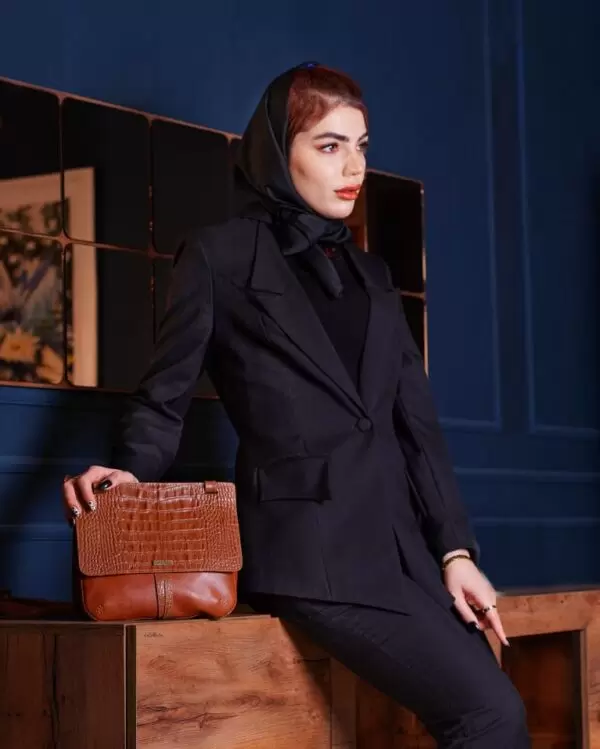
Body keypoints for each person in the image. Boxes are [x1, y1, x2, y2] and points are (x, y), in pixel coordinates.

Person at [62, 62, 530, 747]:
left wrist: (454, 552)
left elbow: (417, 428)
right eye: (329, 145)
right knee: (491, 714)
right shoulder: (220, 258)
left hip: (400, 551)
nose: (354, 166)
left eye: (361, 145)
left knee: (498, 706)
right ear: (280, 153)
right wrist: (129, 472)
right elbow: (164, 396)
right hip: (307, 553)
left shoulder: (374, 276)